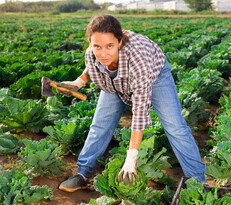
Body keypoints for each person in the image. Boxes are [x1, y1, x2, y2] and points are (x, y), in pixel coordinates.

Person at [58, 14, 206, 192]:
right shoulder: (92, 52)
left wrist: (131, 156)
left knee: (175, 126)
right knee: (99, 125)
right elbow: (92, 66)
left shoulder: (138, 59)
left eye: (109, 46)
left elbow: (140, 111)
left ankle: (197, 181)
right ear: (91, 43)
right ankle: (82, 173)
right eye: (97, 46)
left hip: (155, 76)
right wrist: (78, 83)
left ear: (119, 42)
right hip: (114, 81)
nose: (103, 53)